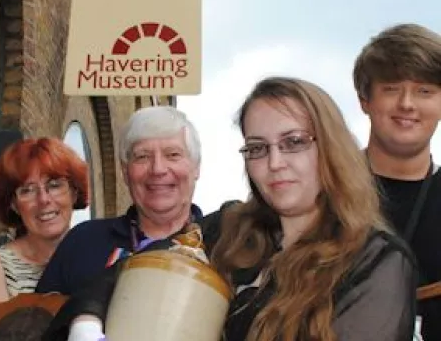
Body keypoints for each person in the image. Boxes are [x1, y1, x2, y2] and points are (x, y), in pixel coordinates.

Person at [46, 77, 417, 341]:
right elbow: (119, 275)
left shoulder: (378, 263)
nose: (274, 162)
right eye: (257, 147)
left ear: (331, 147)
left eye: (293, 142)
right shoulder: (227, 228)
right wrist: (86, 324)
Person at [36, 106, 203, 296]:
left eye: (173, 155)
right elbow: (37, 320)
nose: (157, 169)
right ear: (125, 172)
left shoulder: (223, 246)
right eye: (142, 157)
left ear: (196, 167)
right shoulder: (83, 243)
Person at [353, 23, 441, 340]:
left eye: (425, 91)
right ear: (365, 99)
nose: (407, 103)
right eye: (391, 88)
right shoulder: (320, 191)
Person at [0, 137, 89, 322]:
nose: (43, 199)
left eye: (54, 185)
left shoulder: (96, 254)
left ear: (74, 193)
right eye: (27, 190)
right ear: (13, 204)